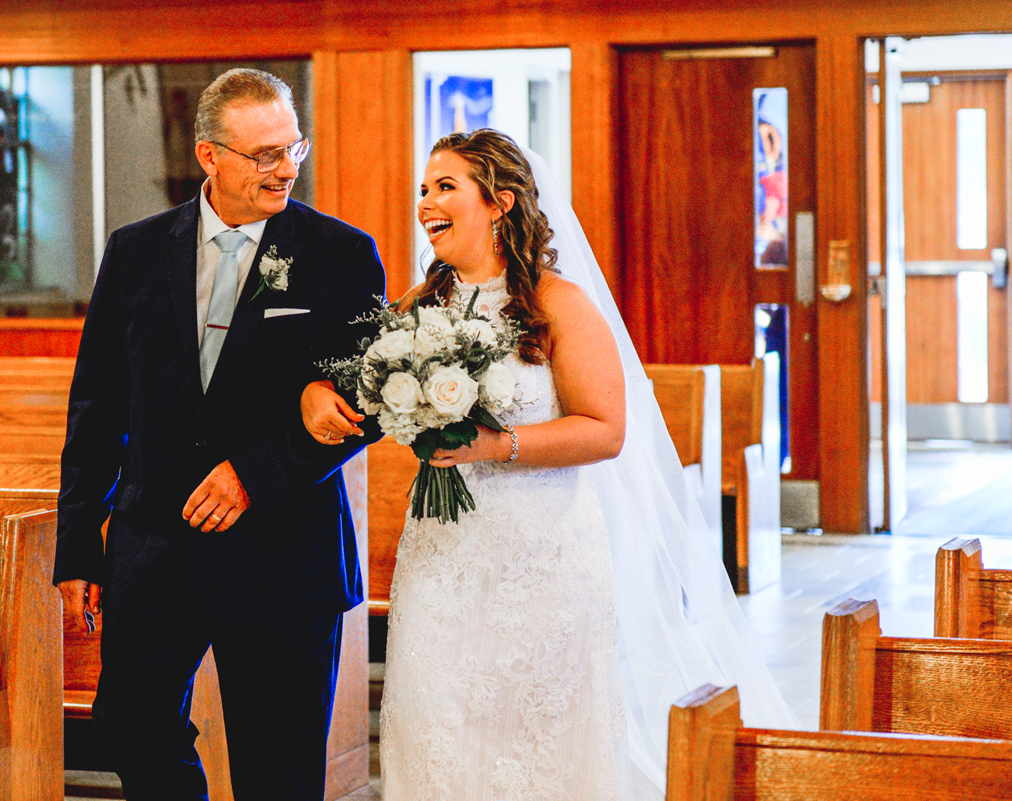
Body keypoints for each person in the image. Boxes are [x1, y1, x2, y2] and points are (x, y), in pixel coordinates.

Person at [302, 129, 795, 800]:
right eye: (424, 189)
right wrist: (322, 394)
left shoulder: (558, 303)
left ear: (500, 202)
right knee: (433, 717)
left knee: (536, 736)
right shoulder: (417, 306)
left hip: (542, 555)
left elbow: (607, 429)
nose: (426, 204)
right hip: (442, 556)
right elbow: (362, 394)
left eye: (446, 187)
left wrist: (493, 445)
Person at [53, 68, 385, 801]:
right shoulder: (135, 251)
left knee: (279, 769)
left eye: (292, 146)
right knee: (131, 726)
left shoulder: (341, 256)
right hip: (155, 544)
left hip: (281, 544)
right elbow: (98, 404)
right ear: (211, 156)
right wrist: (77, 541)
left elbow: (369, 401)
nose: (285, 166)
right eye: (263, 153)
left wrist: (254, 474)